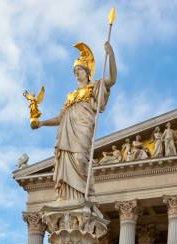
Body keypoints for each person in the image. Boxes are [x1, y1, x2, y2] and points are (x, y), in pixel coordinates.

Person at [32, 41, 117, 201]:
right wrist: (42, 123)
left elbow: (112, 79)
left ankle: (87, 194)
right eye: (75, 71)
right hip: (66, 134)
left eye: (79, 70)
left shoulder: (94, 87)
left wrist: (111, 55)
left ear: (87, 72)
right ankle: (68, 198)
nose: (77, 74)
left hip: (82, 129)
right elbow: (60, 118)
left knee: (80, 160)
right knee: (66, 163)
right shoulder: (70, 96)